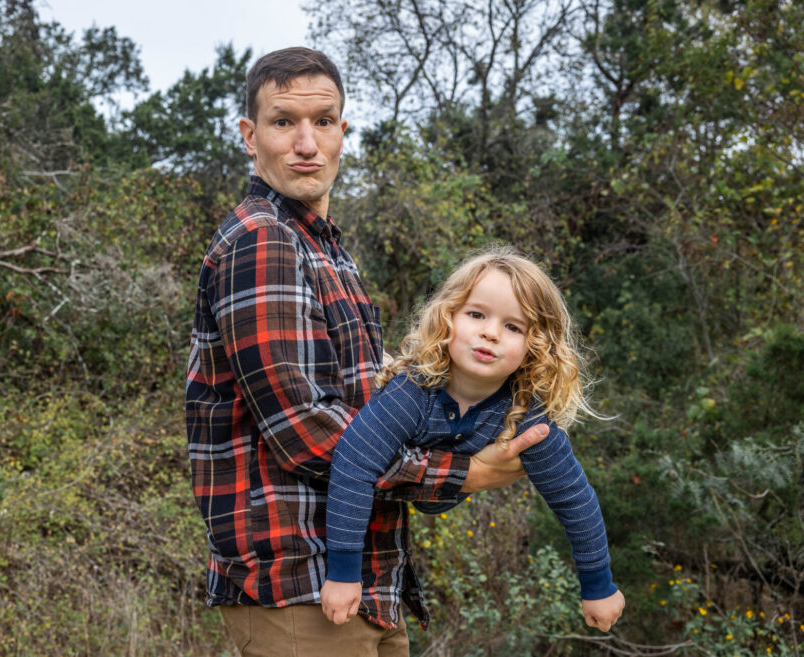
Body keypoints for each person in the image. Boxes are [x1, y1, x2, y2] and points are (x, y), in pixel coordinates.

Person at [185, 47, 549, 656]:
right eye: (283, 123)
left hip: (367, 580)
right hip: (299, 579)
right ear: (250, 136)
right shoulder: (262, 241)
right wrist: (467, 472)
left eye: (323, 121)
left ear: (342, 131)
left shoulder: (326, 250)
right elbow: (306, 430)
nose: (307, 143)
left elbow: (371, 409)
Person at [321, 245, 626, 632]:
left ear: (536, 347)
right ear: (448, 316)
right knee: (373, 404)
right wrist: (344, 574)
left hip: (434, 490)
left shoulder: (526, 418)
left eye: (513, 326)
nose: (490, 332)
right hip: (384, 477)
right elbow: (353, 464)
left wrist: (598, 585)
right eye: (477, 314)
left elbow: (574, 498)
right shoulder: (411, 391)